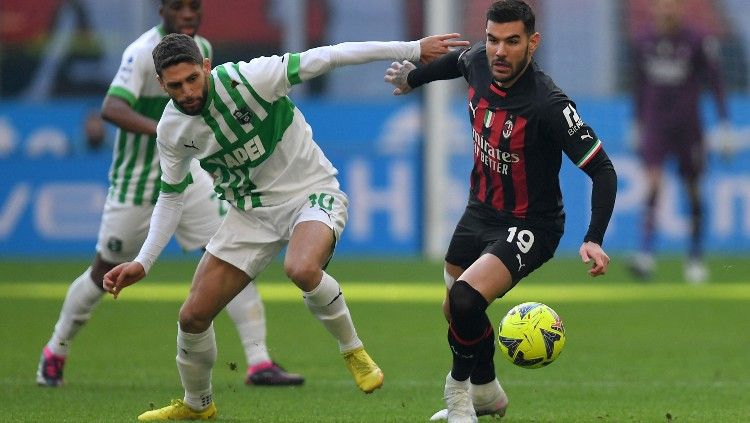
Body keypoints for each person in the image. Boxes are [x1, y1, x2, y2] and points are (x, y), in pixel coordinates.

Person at [103, 31, 469, 420]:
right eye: (175, 86)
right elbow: (171, 196)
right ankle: (198, 406)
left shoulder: (252, 79)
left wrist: (411, 49)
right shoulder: (172, 131)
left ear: (206, 66)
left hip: (310, 193)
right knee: (192, 317)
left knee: (301, 267)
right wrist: (143, 261)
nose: (188, 91)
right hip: (249, 216)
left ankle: (353, 350)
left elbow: (331, 55)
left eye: (193, 78)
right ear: (161, 84)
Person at [36, 0, 304, 390]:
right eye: (179, 8)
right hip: (137, 182)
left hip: (190, 180)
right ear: (161, 11)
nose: (189, 14)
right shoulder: (141, 53)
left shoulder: (204, 52)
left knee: (230, 257)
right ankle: (55, 350)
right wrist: (167, 136)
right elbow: (111, 108)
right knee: (103, 269)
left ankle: (259, 361)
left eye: (194, 7)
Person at [384, 1, 617, 421]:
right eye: (493, 39)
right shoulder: (479, 60)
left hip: (532, 224)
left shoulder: (549, 104)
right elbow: (460, 59)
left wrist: (594, 236)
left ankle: (458, 399)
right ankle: (488, 392)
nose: (499, 52)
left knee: (465, 299)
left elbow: (602, 169)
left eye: (512, 42)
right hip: (479, 212)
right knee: (455, 310)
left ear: (533, 43)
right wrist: (414, 79)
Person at [627, 0, 730, 284]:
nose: (666, 11)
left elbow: (716, 81)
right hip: (656, 126)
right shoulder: (644, 41)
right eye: (661, 6)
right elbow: (639, 85)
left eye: (671, 6)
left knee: (694, 190)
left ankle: (695, 257)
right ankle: (645, 254)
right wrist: (636, 122)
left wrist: (722, 123)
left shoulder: (696, 41)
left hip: (688, 128)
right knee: (653, 184)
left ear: (680, 9)